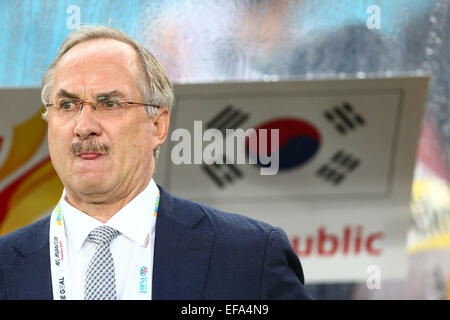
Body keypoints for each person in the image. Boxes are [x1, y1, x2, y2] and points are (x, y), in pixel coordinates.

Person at [0, 25, 311, 300]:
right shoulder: (4, 265)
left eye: (109, 103)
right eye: (67, 104)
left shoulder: (248, 256)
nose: (84, 125)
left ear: (158, 125)